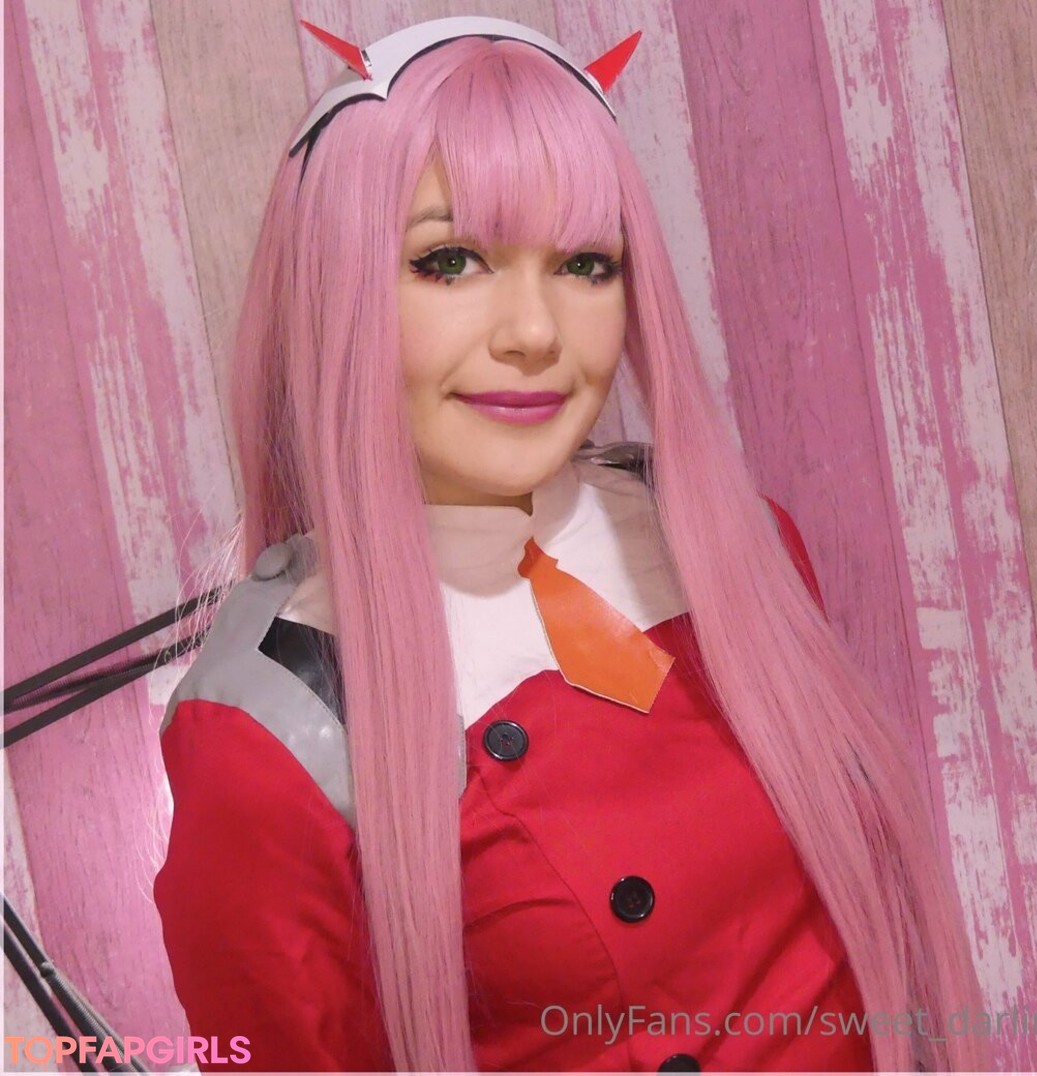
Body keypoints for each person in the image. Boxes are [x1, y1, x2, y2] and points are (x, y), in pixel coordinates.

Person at [153, 16, 986, 1073]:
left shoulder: (731, 543)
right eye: (450, 260)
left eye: (587, 262)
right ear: (330, 289)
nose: (536, 333)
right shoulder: (270, 736)